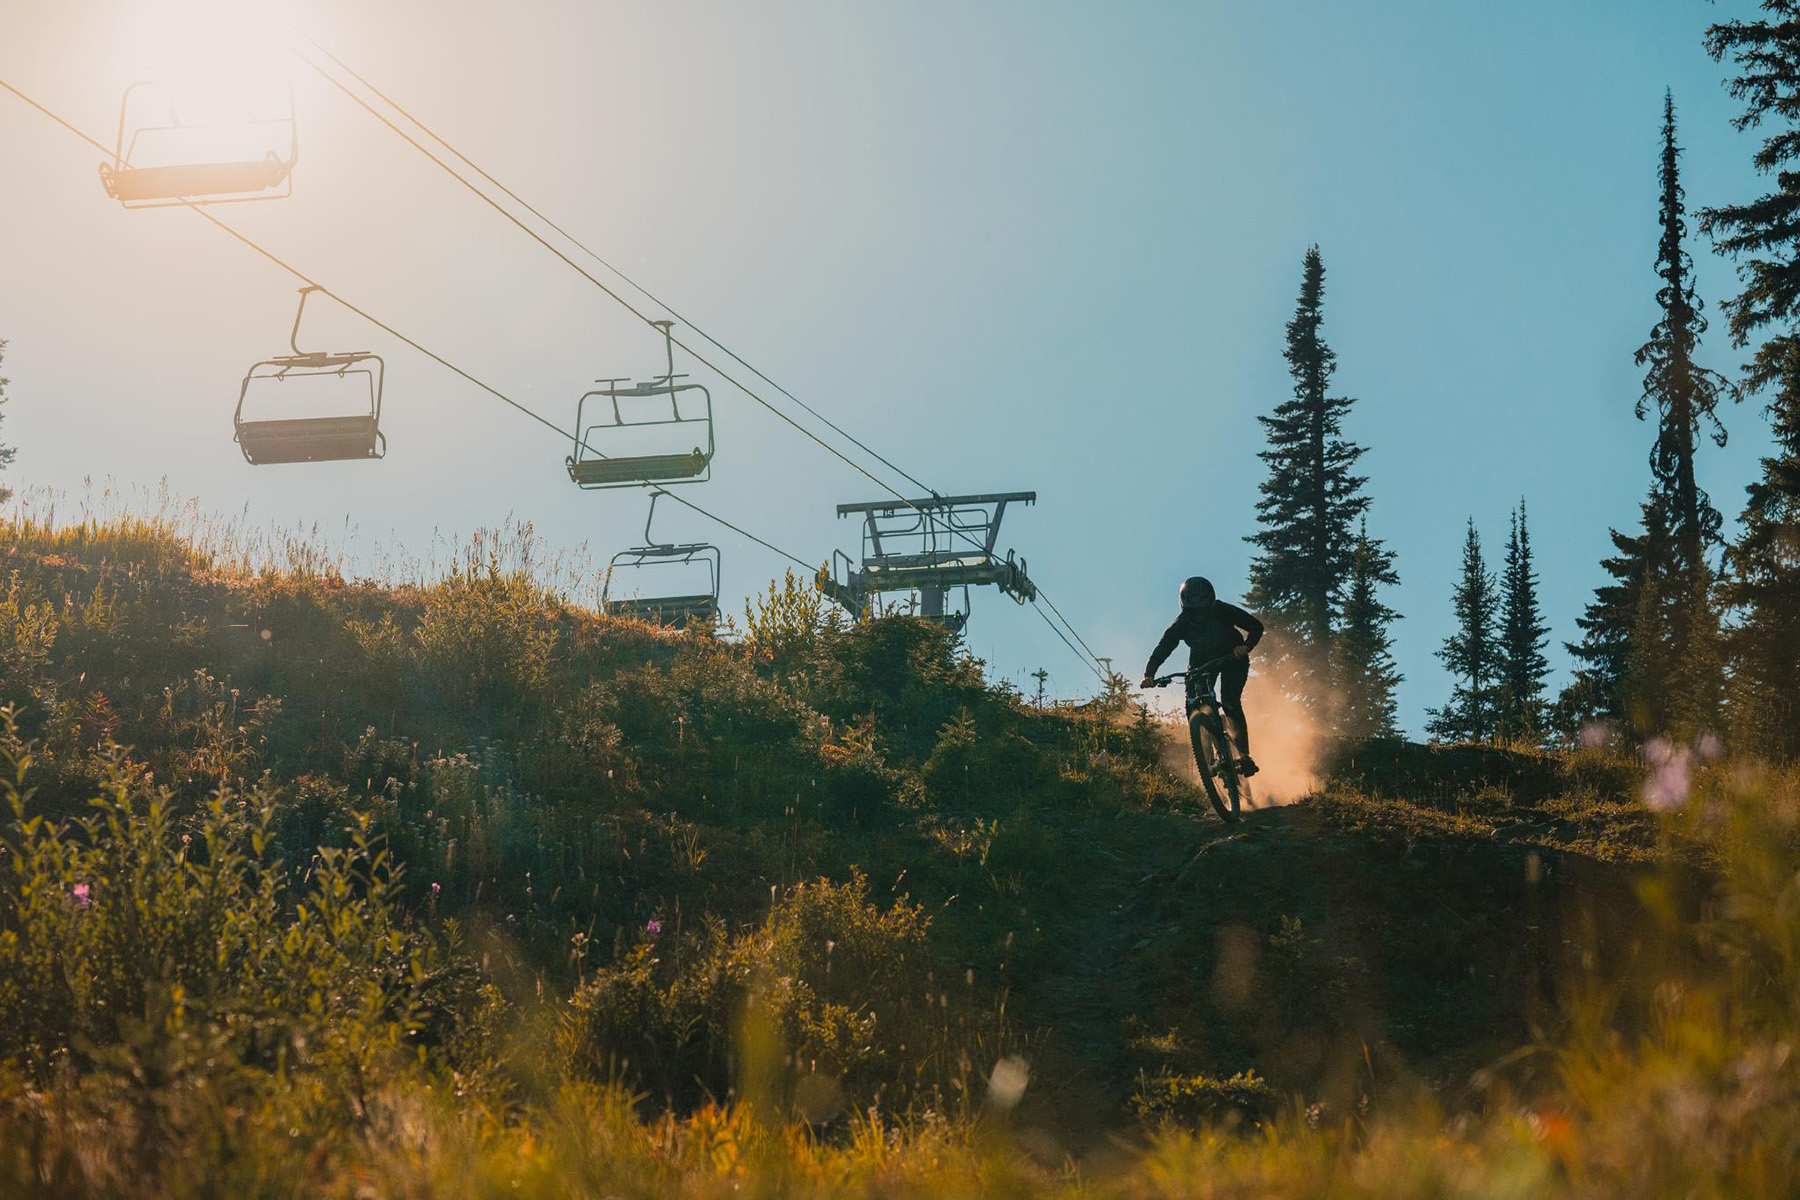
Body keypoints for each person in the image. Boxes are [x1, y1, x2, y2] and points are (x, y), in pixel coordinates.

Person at [1140, 576, 1264, 776]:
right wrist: (1149, 675)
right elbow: (1162, 650)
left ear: (1210, 604)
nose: (1197, 617)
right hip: (1201, 662)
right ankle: (1206, 760)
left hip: (1233, 657)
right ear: (1184, 609)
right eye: (1192, 613)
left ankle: (1244, 756)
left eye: (1202, 612)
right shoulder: (1180, 624)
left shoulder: (1223, 610)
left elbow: (1256, 627)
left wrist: (1246, 647)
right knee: (1193, 705)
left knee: (1231, 701)